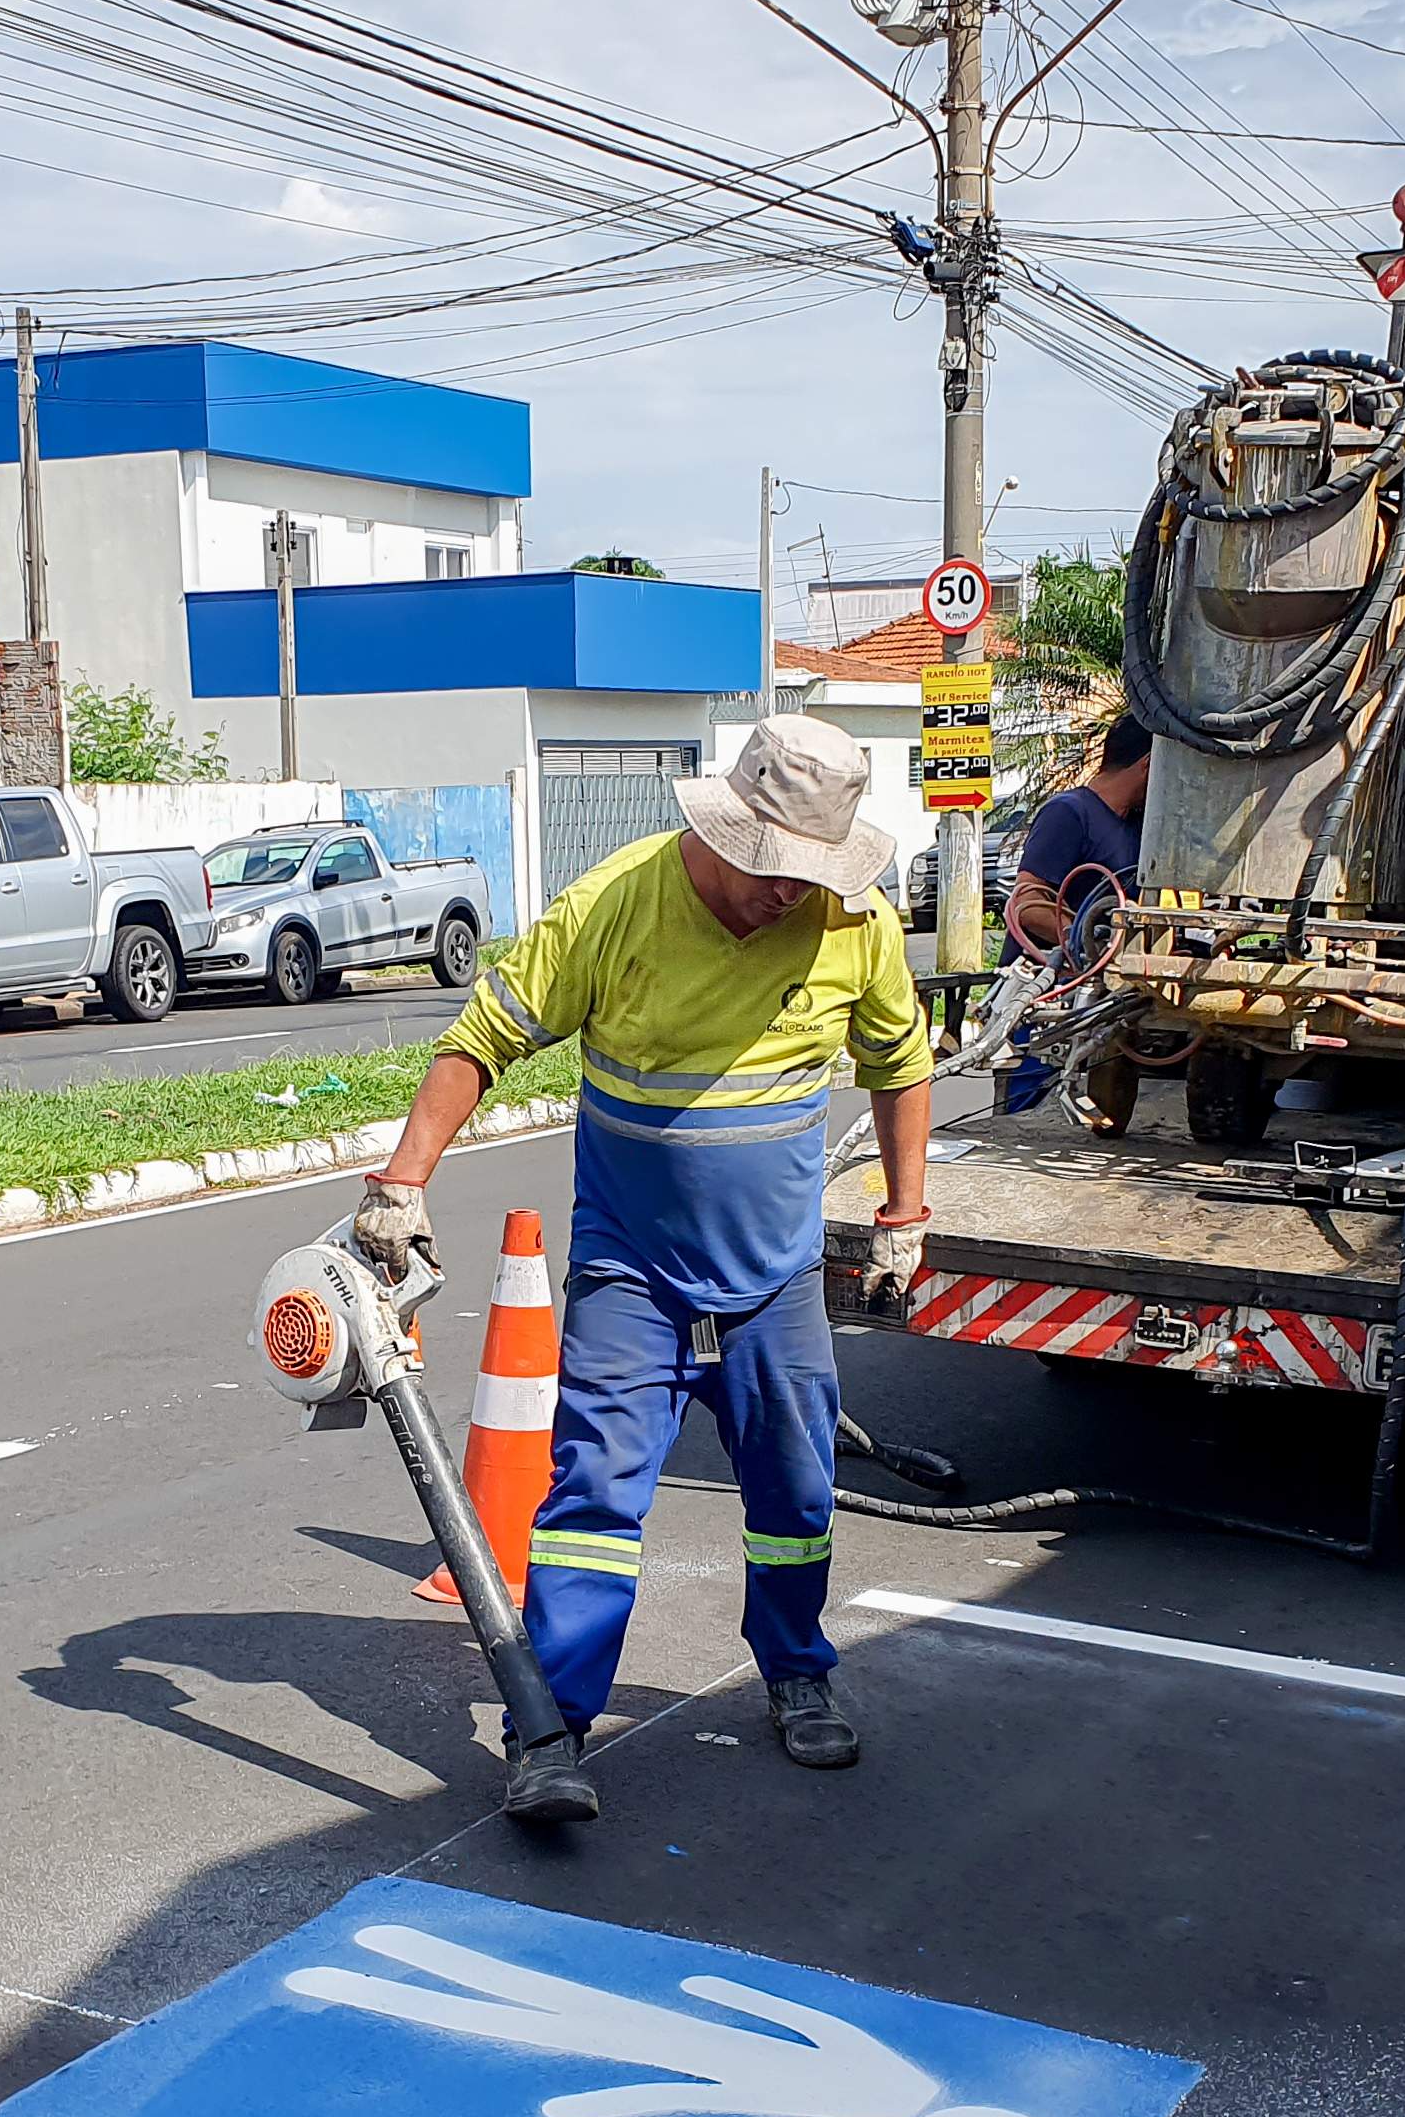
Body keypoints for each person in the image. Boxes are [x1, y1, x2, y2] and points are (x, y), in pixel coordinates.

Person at [354, 713, 936, 1825]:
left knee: (794, 1495)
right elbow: (481, 1036)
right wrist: (401, 1179)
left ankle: (796, 1669)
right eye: (771, 868)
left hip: (773, 1281)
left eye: (810, 873)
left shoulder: (849, 924)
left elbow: (897, 1064)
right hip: (634, 1274)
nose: (786, 893)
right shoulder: (614, 906)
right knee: (590, 1500)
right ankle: (551, 1723)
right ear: (723, 829)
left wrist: (905, 1211)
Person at [998, 714, 1155, 1131]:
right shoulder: (1069, 813)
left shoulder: (1141, 825)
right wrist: (1081, 939)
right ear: (1147, 763)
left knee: (1097, 1120)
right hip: (1048, 991)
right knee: (1029, 1114)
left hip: (1103, 994)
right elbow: (1027, 903)